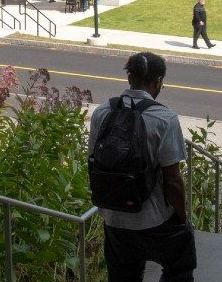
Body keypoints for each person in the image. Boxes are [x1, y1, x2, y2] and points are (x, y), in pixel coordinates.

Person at [90, 52, 196, 281]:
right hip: (154, 218)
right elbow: (173, 181)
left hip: (114, 218)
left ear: (130, 78)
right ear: (158, 81)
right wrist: (182, 218)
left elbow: (93, 161)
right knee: (180, 267)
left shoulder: (102, 112)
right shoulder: (164, 118)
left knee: (123, 276)